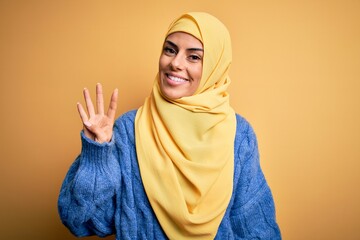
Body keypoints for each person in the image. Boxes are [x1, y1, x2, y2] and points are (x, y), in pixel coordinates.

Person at [58, 12, 281, 239]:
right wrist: (97, 155)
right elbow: (81, 222)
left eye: (193, 57)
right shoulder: (128, 131)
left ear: (216, 66)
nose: (175, 63)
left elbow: (258, 231)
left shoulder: (239, 135)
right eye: (170, 50)